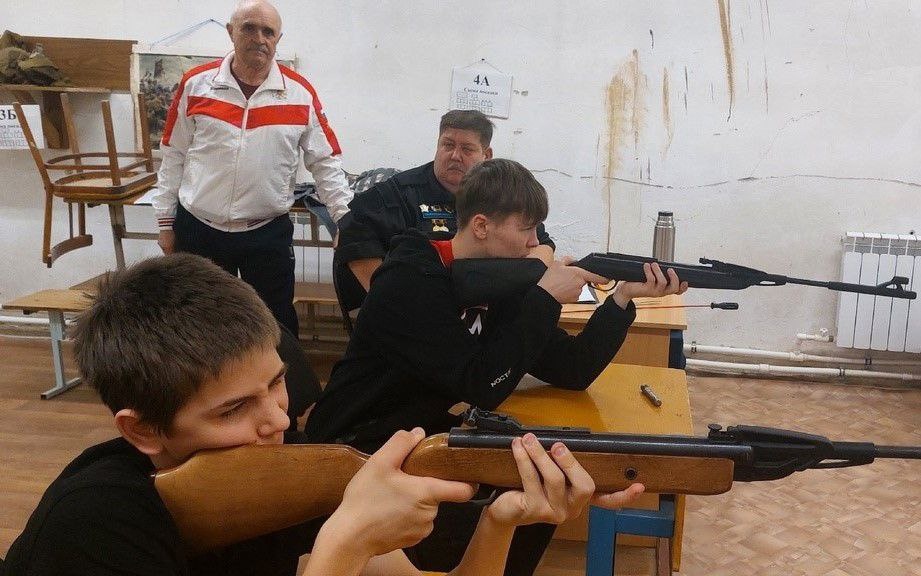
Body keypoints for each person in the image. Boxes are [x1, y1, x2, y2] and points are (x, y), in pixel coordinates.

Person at [1, 253, 644, 576]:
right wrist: (344, 546)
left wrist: (503, 520)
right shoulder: (91, 526)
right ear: (142, 429)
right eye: (234, 409)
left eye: (277, 385)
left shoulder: (277, 474)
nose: (278, 422)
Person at [306, 158, 687, 574]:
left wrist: (621, 299)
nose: (536, 243)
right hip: (357, 447)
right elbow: (482, 384)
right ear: (482, 226)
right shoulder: (410, 280)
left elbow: (573, 369)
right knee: (523, 496)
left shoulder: (500, 282)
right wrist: (543, 297)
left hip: (426, 438)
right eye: (527, 229)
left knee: (540, 490)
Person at [153, 0, 353, 337]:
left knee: (276, 326)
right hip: (199, 230)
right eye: (249, 28)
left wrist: (344, 219)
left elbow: (326, 161)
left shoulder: (299, 94)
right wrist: (165, 222)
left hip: (266, 233)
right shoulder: (196, 85)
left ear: (278, 39)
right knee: (198, 326)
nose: (259, 38)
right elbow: (173, 155)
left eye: (268, 32)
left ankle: (280, 373)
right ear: (231, 32)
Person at [334, 109, 556, 309]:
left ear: (486, 155)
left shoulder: (501, 195)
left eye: (467, 149)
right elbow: (350, 234)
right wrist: (389, 302)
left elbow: (542, 246)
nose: (455, 156)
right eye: (448, 145)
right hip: (419, 311)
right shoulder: (400, 192)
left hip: (483, 312)